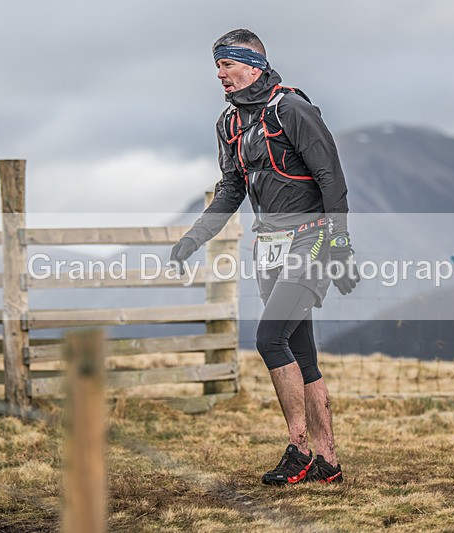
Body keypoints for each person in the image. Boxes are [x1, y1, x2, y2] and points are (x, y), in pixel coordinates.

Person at [170, 29, 357, 485]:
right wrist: (195, 237)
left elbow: (330, 178)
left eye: (227, 65)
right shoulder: (229, 124)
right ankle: (327, 461)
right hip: (269, 245)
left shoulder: (292, 109)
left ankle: (298, 450)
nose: (220, 74)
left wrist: (340, 244)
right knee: (301, 353)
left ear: (252, 63)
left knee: (269, 339)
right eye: (216, 66)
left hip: (310, 240)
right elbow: (231, 189)